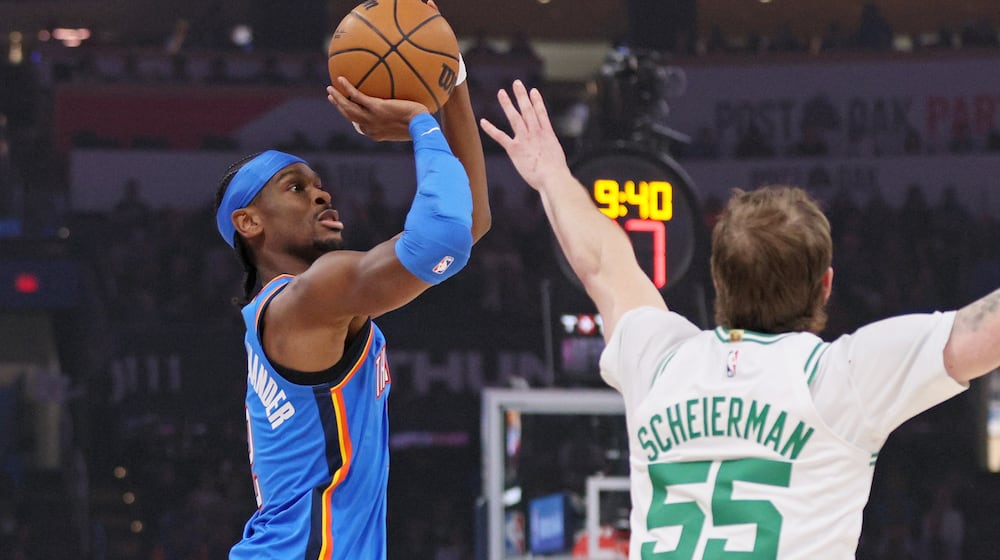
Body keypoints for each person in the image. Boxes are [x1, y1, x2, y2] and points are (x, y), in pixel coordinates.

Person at [480, 80, 999, 558]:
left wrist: (551, 175)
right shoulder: (841, 379)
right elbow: (983, 333)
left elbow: (601, 262)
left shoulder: (660, 363)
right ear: (825, 285)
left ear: (717, 277)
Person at [216, 58, 490, 558]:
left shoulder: (300, 305)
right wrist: (419, 122)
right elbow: (443, 238)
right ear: (249, 222)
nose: (321, 192)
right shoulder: (306, 298)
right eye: (296, 187)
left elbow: (467, 225)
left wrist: (452, 82)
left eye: (318, 184)